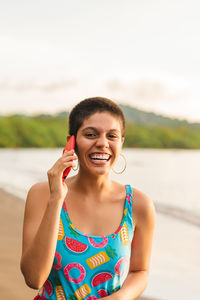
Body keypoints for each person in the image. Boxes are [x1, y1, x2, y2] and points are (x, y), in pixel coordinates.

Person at [20, 97, 156, 300]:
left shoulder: (139, 204)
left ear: (121, 143)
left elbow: (140, 271)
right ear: (71, 142)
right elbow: (34, 278)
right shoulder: (42, 194)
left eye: (112, 136)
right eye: (91, 134)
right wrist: (56, 199)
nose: (102, 143)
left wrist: (120, 298)